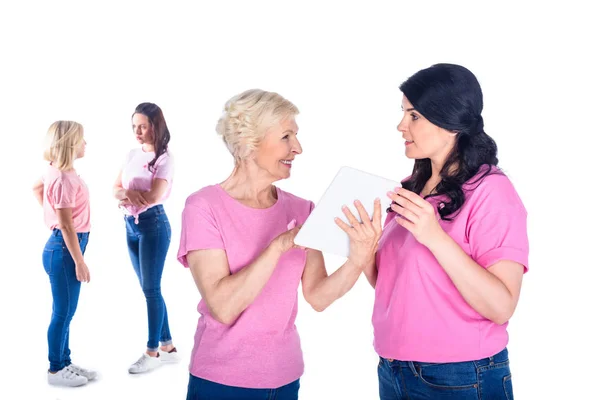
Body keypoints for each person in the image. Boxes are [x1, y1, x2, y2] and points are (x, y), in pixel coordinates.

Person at [178, 89, 381, 399]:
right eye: (286, 136)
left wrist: (357, 259)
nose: (297, 148)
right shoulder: (203, 207)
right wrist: (277, 246)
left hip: (285, 378)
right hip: (222, 381)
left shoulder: (301, 209)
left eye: (296, 136)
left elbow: (318, 296)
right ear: (250, 142)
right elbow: (224, 307)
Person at [370, 64, 529, 399]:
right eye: (403, 114)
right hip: (393, 369)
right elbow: (393, 283)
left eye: (414, 116)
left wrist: (435, 236)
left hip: (461, 375)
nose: (401, 126)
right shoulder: (410, 189)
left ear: (449, 121)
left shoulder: (491, 191)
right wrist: (362, 249)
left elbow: (501, 306)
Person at [113, 103, 179, 373]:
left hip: (154, 226)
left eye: (142, 126)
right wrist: (127, 195)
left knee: (151, 289)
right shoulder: (131, 154)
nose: (137, 132)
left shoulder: (165, 158)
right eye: (134, 127)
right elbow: (115, 188)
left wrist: (127, 195)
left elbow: (153, 197)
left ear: (155, 125)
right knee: (149, 289)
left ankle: (152, 352)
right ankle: (168, 346)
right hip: (130, 225)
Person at [33, 121, 97, 387]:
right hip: (65, 249)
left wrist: (50, 213)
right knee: (63, 313)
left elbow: (37, 188)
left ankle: (65, 361)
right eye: (82, 140)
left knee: (67, 311)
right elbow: (68, 225)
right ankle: (56, 370)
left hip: (64, 245)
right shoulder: (62, 179)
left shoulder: (60, 172)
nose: (86, 144)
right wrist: (79, 262)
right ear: (70, 143)